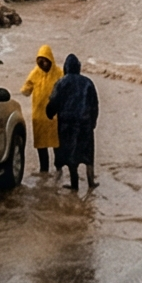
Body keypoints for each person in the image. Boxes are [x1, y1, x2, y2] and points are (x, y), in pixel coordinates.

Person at [46, 53, 101, 190]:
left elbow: (53, 102)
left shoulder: (61, 82)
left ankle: (74, 184)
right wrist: (93, 122)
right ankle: (91, 182)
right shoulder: (88, 82)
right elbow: (94, 105)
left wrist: (49, 114)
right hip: (85, 124)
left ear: (66, 68)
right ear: (78, 67)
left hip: (66, 125)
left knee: (71, 155)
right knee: (88, 155)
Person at [20, 45, 63, 174]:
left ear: (51, 59)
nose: (43, 63)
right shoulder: (35, 73)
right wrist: (24, 90)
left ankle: (58, 168)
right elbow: (26, 90)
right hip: (38, 115)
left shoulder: (59, 73)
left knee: (57, 144)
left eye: (45, 60)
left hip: (55, 116)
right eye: (40, 61)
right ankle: (44, 170)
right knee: (41, 145)